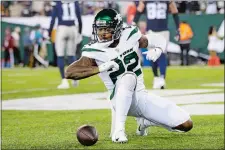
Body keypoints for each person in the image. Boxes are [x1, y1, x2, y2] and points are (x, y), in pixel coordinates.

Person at [65, 9, 193, 143]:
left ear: (118, 28)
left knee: (186, 124)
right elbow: (70, 72)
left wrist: (158, 49)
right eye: (99, 29)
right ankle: (119, 130)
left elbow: (158, 38)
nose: (102, 33)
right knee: (128, 77)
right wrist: (102, 67)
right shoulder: (94, 50)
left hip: (141, 96)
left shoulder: (129, 35)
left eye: (107, 29)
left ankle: (145, 122)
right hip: (117, 99)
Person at [133, 0, 180, 89]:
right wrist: (134, 23)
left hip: (163, 31)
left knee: (161, 53)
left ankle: (162, 77)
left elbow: (175, 12)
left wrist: (178, 28)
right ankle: (156, 77)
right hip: (151, 31)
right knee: (152, 55)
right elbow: (139, 10)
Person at [49, 1, 82, 89]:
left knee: (60, 55)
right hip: (73, 28)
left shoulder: (57, 2)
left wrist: (49, 33)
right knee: (71, 55)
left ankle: (64, 81)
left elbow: (53, 19)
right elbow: (79, 18)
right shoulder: (74, 2)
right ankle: (74, 77)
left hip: (62, 28)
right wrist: (79, 32)